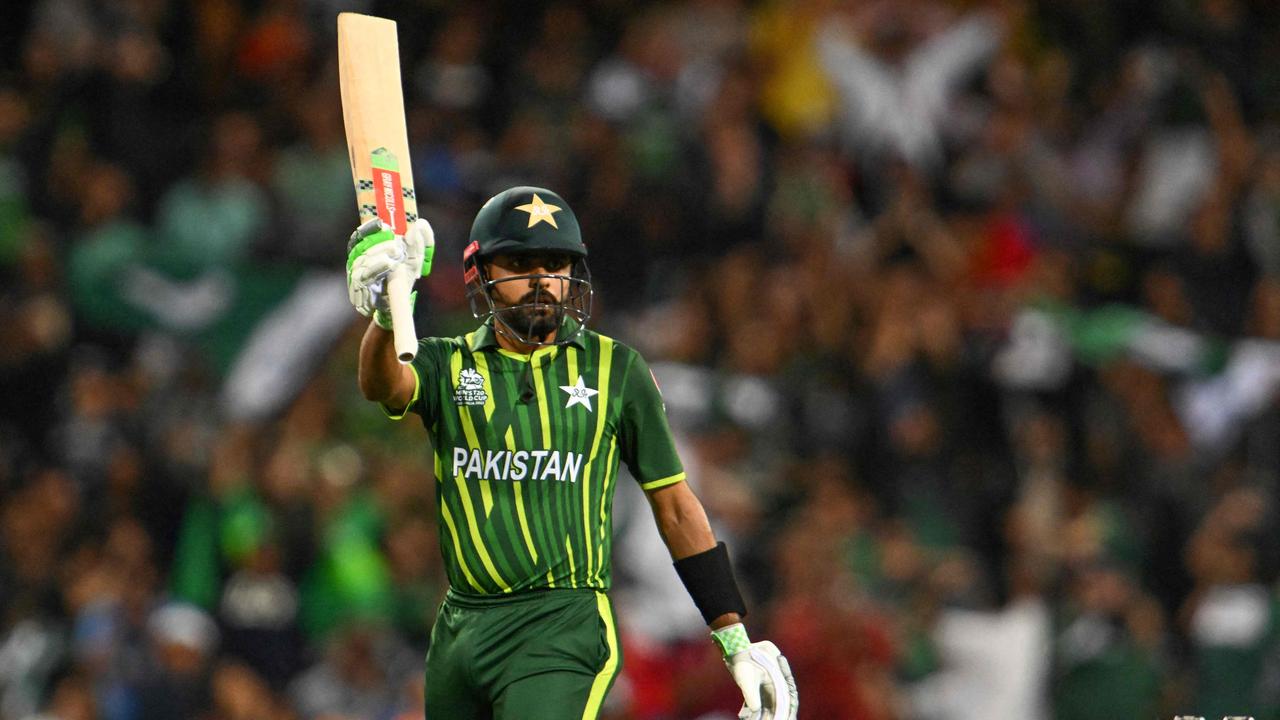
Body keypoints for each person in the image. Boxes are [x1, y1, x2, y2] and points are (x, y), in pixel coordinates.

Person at [345, 186, 797, 719]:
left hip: (563, 624)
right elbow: (383, 386)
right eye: (519, 263)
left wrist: (733, 637)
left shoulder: (617, 370)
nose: (541, 281)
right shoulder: (448, 363)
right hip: (461, 629)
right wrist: (388, 312)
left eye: (556, 264)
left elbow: (675, 506)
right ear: (483, 274)